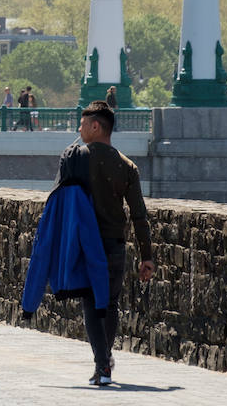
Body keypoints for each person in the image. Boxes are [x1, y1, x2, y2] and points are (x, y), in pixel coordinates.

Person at [53, 101, 154, 386]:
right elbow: (139, 215)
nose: (79, 129)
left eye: (83, 124)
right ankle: (105, 361)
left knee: (90, 303)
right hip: (115, 246)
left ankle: (103, 366)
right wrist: (147, 256)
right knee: (109, 304)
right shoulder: (127, 166)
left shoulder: (75, 158)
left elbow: (59, 203)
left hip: (85, 244)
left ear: (96, 126)